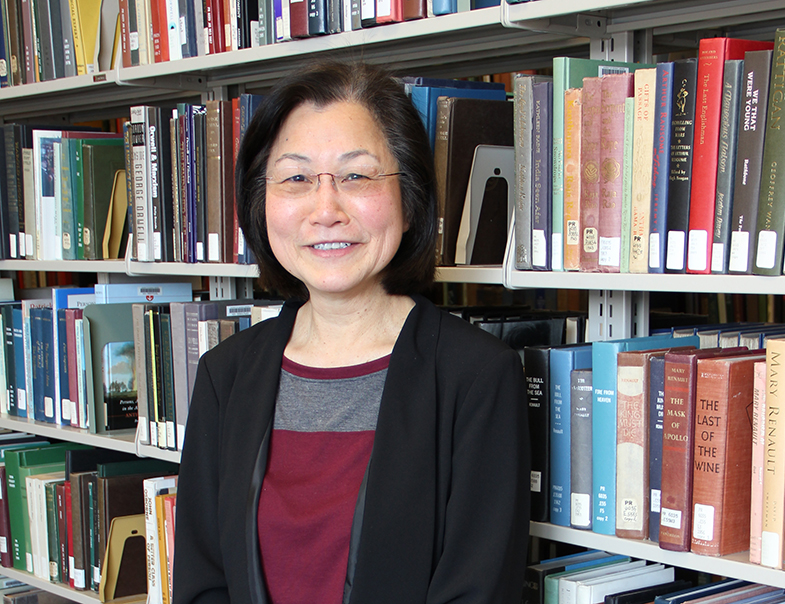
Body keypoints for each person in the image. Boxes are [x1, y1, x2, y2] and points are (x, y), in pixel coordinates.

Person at [172, 60, 529, 604]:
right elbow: (203, 586)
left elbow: (477, 593)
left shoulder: (477, 377)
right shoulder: (226, 374)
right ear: (261, 203)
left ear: (410, 199)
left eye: (357, 176)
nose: (326, 210)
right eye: (296, 179)